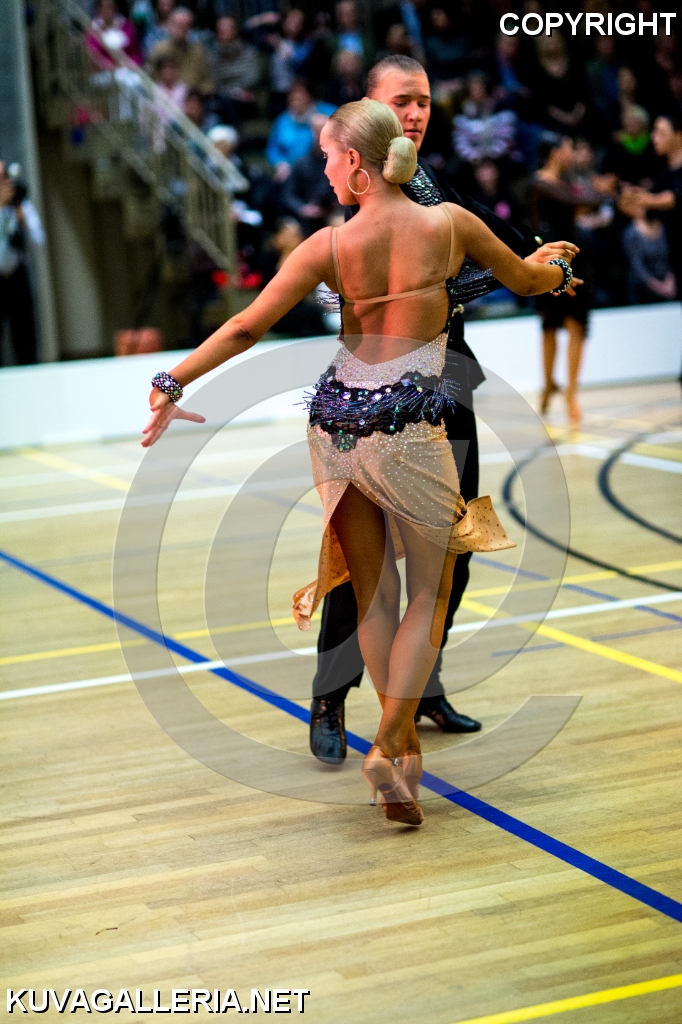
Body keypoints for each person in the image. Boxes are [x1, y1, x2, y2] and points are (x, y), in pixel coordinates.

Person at [140, 99, 572, 826]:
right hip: (408, 426)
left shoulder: (330, 245)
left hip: (335, 424)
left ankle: (402, 758)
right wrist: (556, 267)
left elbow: (245, 326)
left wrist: (169, 382)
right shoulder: (450, 226)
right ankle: (391, 743)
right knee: (428, 596)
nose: (323, 170)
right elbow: (527, 282)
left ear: (357, 166)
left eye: (327, 158)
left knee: (373, 597)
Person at [308, 56, 579, 766]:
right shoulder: (363, 187)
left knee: (454, 542)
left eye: (424, 101)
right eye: (402, 100)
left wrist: (534, 262)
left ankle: (421, 687)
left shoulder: (432, 181)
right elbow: (410, 289)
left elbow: (484, 240)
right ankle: (331, 696)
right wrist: (522, 275)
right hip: (378, 396)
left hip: (448, 378)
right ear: (368, 112)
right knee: (366, 560)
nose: (416, 113)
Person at [530, 136, 606, 427]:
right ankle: (548, 384)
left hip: (575, 257)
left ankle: (572, 393)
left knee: (576, 325)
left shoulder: (567, 181)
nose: (570, 153)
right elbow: (576, 200)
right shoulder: (541, 183)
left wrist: (599, 191)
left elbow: (582, 204)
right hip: (548, 258)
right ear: (553, 153)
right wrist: (602, 193)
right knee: (549, 325)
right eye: (566, 148)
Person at [0, 163, 45, 366]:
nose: (6, 183)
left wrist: (22, 220)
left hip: (17, 279)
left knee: (26, 339)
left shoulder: (21, 205)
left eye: (6, 178)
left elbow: (39, 244)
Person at [265, 82, 335, 183]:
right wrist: (281, 164)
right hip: (289, 171)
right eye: (293, 98)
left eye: (300, 98)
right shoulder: (283, 120)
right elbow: (273, 148)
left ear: (310, 97)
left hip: (320, 169)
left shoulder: (329, 112)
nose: (296, 102)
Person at [281, 114, 339, 235]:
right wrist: (303, 208)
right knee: (290, 233)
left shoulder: (339, 163)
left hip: (333, 213)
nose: (320, 135)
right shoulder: (301, 163)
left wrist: (334, 206)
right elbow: (288, 195)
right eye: (317, 131)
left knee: (339, 223)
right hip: (305, 215)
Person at [146, 7, 214, 96]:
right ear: (169, 26)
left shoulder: (199, 51)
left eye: (187, 25)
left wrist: (195, 94)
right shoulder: (159, 50)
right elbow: (148, 79)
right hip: (165, 99)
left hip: (194, 100)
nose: (183, 29)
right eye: (179, 25)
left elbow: (209, 83)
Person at [212, 16, 261, 126]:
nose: (224, 32)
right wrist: (234, 92)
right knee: (224, 103)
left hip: (246, 99)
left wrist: (230, 85)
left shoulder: (249, 52)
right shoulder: (213, 55)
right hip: (222, 99)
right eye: (221, 29)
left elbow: (252, 78)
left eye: (228, 29)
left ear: (235, 30)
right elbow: (215, 83)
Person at [87, 0, 143, 68]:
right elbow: (95, 55)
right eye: (102, 6)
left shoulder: (127, 26)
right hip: (105, 70)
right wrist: (110, 66)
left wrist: (131, 65)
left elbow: (135, 52)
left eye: (109, 6)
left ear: (116, 8)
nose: (106, 10)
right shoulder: (94, 30)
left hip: (129, 68)